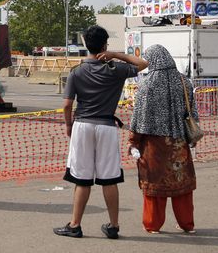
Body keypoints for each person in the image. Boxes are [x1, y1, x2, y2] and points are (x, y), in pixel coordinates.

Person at [54, 25, 148, 239]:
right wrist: (115, 55)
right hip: (106, 126)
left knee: (82, 178)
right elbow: (143, 63)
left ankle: (75, 224)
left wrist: (68, 125)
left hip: (82, 126)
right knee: (109, 178)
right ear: (105, 45)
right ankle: (114, 226)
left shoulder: (76, 72)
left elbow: (67, 104)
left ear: (86, 45)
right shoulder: (116, 69)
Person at [128, 44, 198, 234]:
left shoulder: (146, 84)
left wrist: (133, 141)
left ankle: (153, 225)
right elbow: (192, 111)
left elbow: (139, 118)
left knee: (155, 187)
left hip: (154, 145)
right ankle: (187, 224)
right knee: (181, 186)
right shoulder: (184, 82)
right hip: (179, 143)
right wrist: (192, 138)